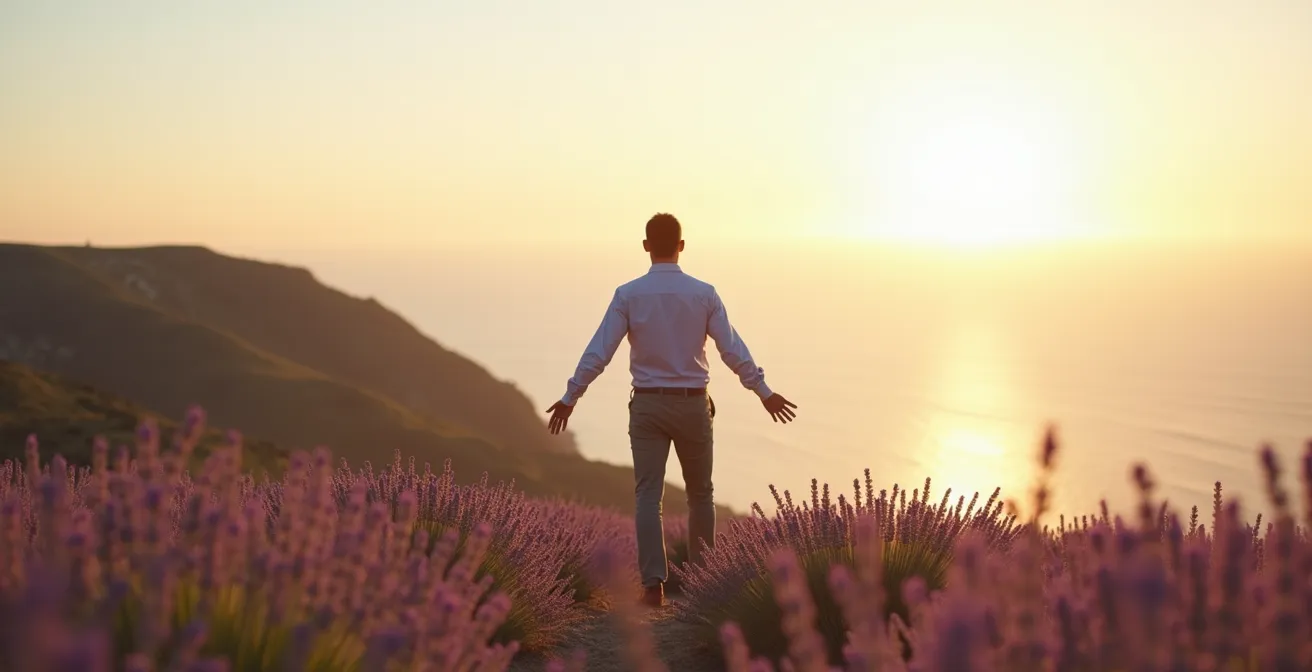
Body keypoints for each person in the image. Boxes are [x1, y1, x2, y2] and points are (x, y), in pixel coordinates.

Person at [546, 212, 798, 608]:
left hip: (646, 405)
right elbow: (732, 350)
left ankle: (652, 587)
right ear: (681, 246)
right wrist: (763, 391)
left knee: (648, 495)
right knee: (702, 494)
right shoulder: (704, 294)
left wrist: (570, 396)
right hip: (693, 405)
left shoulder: (628, 294)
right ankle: (702, 586)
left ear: (646, 246)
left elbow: (601, 351)